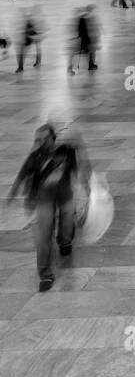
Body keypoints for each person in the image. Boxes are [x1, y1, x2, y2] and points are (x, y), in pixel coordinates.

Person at [7, 124, 92, 292]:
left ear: (53, 139)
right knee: (43, 237)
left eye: (44, 139)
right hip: (44, 199)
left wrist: (81, 147)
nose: (40, 143)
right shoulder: (35, 158)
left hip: (65, 195)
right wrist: (15, 194)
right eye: (38, 140)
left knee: (66, 225)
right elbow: (22, 176)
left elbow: (82, 169)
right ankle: (45, 274)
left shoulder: (66, 152)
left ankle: (64, 241)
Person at [69, 6, 99, 73]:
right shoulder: (84, 19)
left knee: (76, 54)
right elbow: (85, 30)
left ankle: (70, 68)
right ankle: (91, 65)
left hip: (80, 39)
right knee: (91, 52)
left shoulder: (79, 18)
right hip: (84, 40)